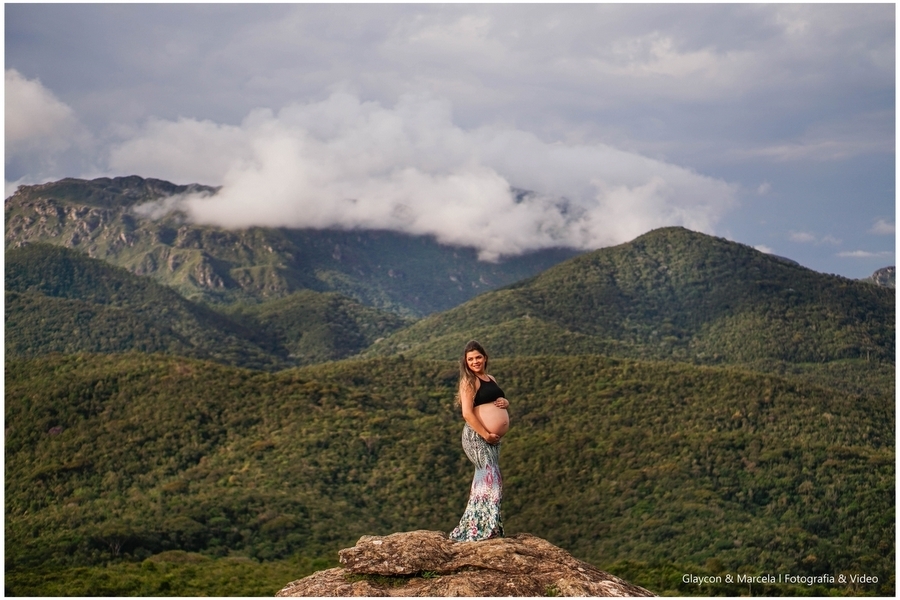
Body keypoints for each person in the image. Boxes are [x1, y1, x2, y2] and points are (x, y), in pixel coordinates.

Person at [449, 340, 510, 542]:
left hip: (491, 439)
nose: (475, 361)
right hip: (477, 437)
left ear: (485, 358)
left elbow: (495, 399)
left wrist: (505, 402)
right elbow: (467, 413)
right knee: (491, 479)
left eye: (478, 357)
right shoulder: (468, 381)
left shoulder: (489, 378)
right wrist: (486, 434)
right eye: (470, 359)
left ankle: (486, 528)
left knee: (485, 481)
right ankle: (480, 530)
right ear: (465, 363)